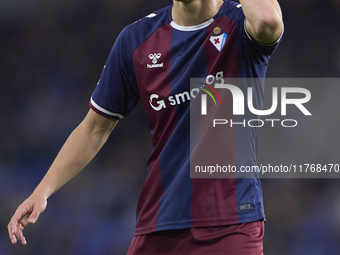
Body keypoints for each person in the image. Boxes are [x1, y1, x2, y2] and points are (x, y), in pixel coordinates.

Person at [8, 0, 283, 254]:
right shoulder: (137, 39)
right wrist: (42, 190)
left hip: (230, 223)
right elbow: (94, 128)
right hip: (159, 224)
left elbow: (268, 21)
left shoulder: (239, 23)